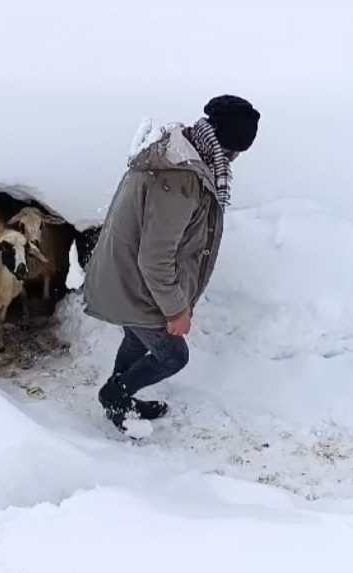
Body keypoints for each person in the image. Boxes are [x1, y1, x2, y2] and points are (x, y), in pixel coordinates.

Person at [81, 95, 260, 434]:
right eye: (237, 151)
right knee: (173, 355)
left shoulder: (182, 150)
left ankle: (120, 402)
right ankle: (115, 395)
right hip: (134, 282)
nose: (235, 161)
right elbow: (155, 257)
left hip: (126, 277)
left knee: (137, 340)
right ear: (229, 146)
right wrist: (177, 309)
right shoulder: (181, 179)